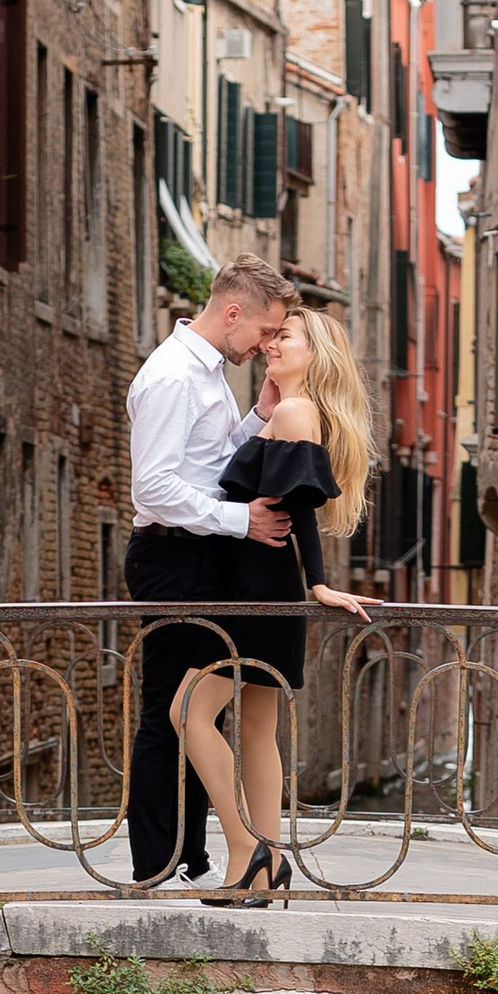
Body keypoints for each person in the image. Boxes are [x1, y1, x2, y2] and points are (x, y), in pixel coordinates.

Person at [175, 307, 375, 904]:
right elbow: (295, 508)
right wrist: (314, 583)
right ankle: (263, 872)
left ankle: (247, 847)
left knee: (187, 712)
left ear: (316, 354)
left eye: (285, 337)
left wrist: (315, 582)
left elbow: (299, 511)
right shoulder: (288, 411)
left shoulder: (295, 412)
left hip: (258, 594)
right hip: (267, 588)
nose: (271, 344)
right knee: (258, 731)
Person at [120, 259, 294, 885]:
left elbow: (209, 464)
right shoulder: (172, 377)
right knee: (169, 712)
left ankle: (191, 856)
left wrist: (256, 419)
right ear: (232, 314)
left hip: (198, 553)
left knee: (196, 714)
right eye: (265, 330)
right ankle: (156, 864)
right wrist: (239, 522)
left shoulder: (209, 374)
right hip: (172, 557)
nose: (267, 344)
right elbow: (158, 487)